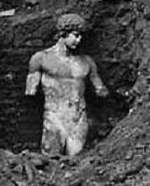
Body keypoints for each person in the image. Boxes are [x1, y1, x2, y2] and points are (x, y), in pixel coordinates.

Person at [25, 14, 108, 156]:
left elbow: (100, 89)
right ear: (63, 34)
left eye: (81, 36)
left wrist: (102, 90)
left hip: (78, 118)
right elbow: (30, 89)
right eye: (75, 35)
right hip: (54, 116)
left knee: (76, 160)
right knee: (51, 158)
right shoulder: (41, 59)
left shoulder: (86, 62)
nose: (79, 40)